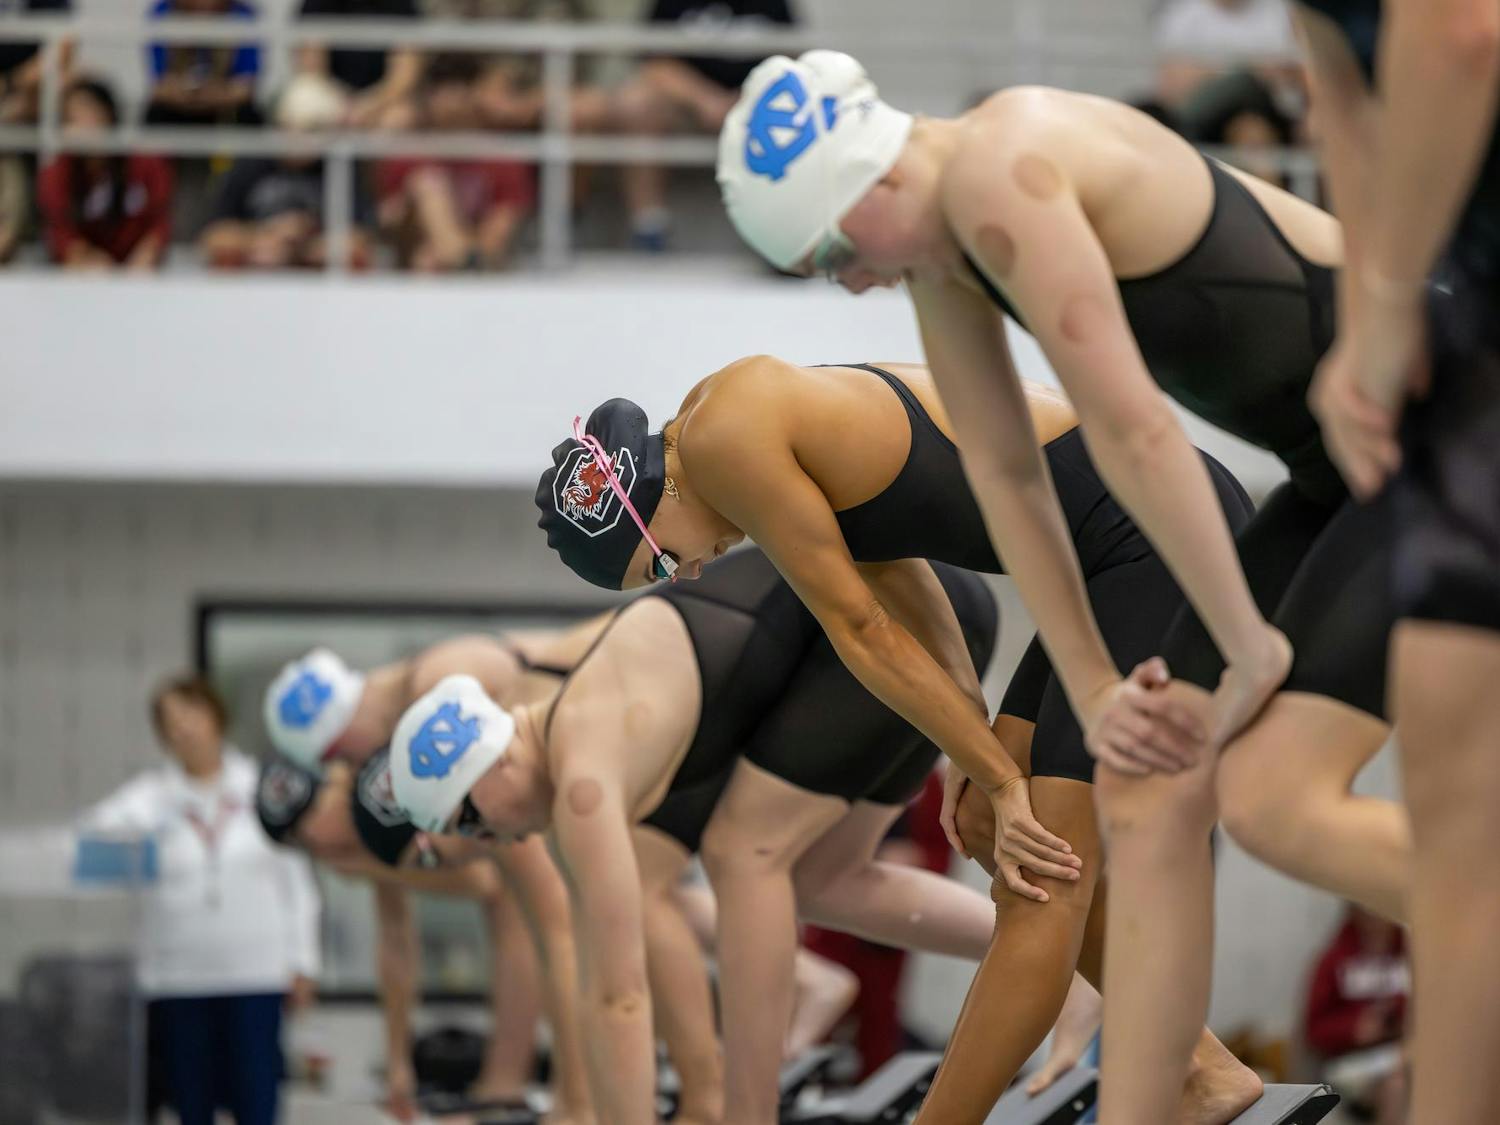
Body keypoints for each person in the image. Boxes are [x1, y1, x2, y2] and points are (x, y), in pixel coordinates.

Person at [716, 52, 1409, 1123]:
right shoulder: (951, 264)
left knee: (1265, 805)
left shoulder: (1006, 166)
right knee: (1171, 803)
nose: (851, 282)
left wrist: (1244, 637)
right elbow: (1008, 480)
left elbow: (1134, 432)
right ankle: (1180, 1089)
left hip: (1424, 423)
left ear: (874, 184)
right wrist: (1087, 686)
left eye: (837, 252)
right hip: (1327, 473)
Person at [532, 362, 1263, 1123]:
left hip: (1156, 527)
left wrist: (1008, 780)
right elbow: (899, 571)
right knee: (987, 827)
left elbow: (860, 632)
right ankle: (1201, 1065)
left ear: (652, 498)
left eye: (658, 562)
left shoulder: (724, 438)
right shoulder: (729, 430)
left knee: (1041, 879)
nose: (688, 573)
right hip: (1113, 551)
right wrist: (980, 751)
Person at [389, 546, 1024, 1124]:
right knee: (823, 879)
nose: (486, 841)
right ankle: (1057, 953)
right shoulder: (578, 745)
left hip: (902, 602)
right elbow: (599, 990)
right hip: (916, 602)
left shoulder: (582, 779)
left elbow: (620, 999)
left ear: (494, 761)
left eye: (467, 820)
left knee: (743, 854)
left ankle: (740, 1114)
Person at [1292, 2, 1500, 1120]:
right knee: (1457, 833)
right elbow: (1344, 103)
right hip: (1464, 355)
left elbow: (1460, 32)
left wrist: (1380, 312)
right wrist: (1377, 314)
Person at [261, 625, 609, 1123]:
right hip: (604, 738)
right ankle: (512, 1085)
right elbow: (397, 936)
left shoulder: (433, 700)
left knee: (561, 909)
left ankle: (545, 1089)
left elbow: (538, 913)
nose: (345, 770)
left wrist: (575, 1105)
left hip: (636, 701)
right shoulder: (387, 768)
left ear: (337, 746)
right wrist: (399, 1064)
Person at [77, 675, 320, 1125]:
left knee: (257, 1098)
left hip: (255, 972)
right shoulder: (150, 797)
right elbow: (89, 838)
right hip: (178, 977)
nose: (182, 728)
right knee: (192, 1103)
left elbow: (297, 882)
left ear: (215, 716)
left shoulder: (260, 788)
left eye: (190, 714)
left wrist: (302, 960)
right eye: (169, 721)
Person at [254, 754, 548, 1120]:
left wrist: (379, 864)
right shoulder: (356, 831)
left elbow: (483, 880)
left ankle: (512, 1088)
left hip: (531, 809)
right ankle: (503, 1089)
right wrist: (398, 1065)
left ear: (330, 789)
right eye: (302, 843)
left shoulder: (376, 787)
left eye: (311, 824)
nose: (317, 844)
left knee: (517, 909)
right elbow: (395, 939)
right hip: (502, 851)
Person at [614, 0, 796, 251]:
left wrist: (748, 99)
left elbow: (791, 61)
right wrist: (705, 101)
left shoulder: (771, 3)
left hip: (754, 105)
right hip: (685, 106)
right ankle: (649, 226)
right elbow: (654, 63)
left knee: (791, 110)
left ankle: (782, 231)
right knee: (637, 102)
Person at [376, 53, 536, 270]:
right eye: (443, 90)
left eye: (461, 90)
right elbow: (390, 225)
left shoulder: (502, 159)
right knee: (428, 185)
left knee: (432, 259)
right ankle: (460, 260)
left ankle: (459, 259)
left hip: (479, 263)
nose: (452, 101)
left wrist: (457, 253)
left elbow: (497, 236)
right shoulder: (408, 154)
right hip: (419, 258)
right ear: (428, 96)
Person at [198, 79, 374, 270]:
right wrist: (266, 235)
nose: (297, 137)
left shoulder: (338, 167)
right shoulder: (251, 162)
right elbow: (212, 237)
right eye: (289, 126)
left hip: (317, 282)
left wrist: (301, 246)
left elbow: (361, 240)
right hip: (252, 281)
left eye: (312, 130)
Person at [37, 78, 173, 270]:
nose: (81, 127)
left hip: (137, 266)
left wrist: (146, 256)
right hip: (86, 271)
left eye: (87, 114)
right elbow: (60, 230)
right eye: (71, 119)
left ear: (109, 115)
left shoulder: (146, 163)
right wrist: (85, 259)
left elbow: (159, 223)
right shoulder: (57, 171)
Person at [1304, 904, 1409, 1125]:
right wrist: (1354, 1028)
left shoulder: (1410, 957)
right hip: (1350, 1061)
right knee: (1396, 1085)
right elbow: (1314, 1030)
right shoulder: (1334, 960)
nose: (1376, 917)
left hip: (1402, 1053)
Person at [295, 0, 424, 129]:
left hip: (382, 98)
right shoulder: (317, 4)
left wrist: (369, 105)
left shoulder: (402, 4)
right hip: (332, 94)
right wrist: (344, 105)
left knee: (399, 117)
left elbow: (404, 75)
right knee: (302, 105)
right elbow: (312, 67)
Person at [144, 0, 263, 129]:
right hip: (177, 106)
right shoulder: (164, 13)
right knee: (156, 115)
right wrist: (184, 95)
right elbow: (160, 85)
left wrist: (216, 95)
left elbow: (245, 87)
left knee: (247, 116)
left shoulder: (242, 15)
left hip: (225, 107)